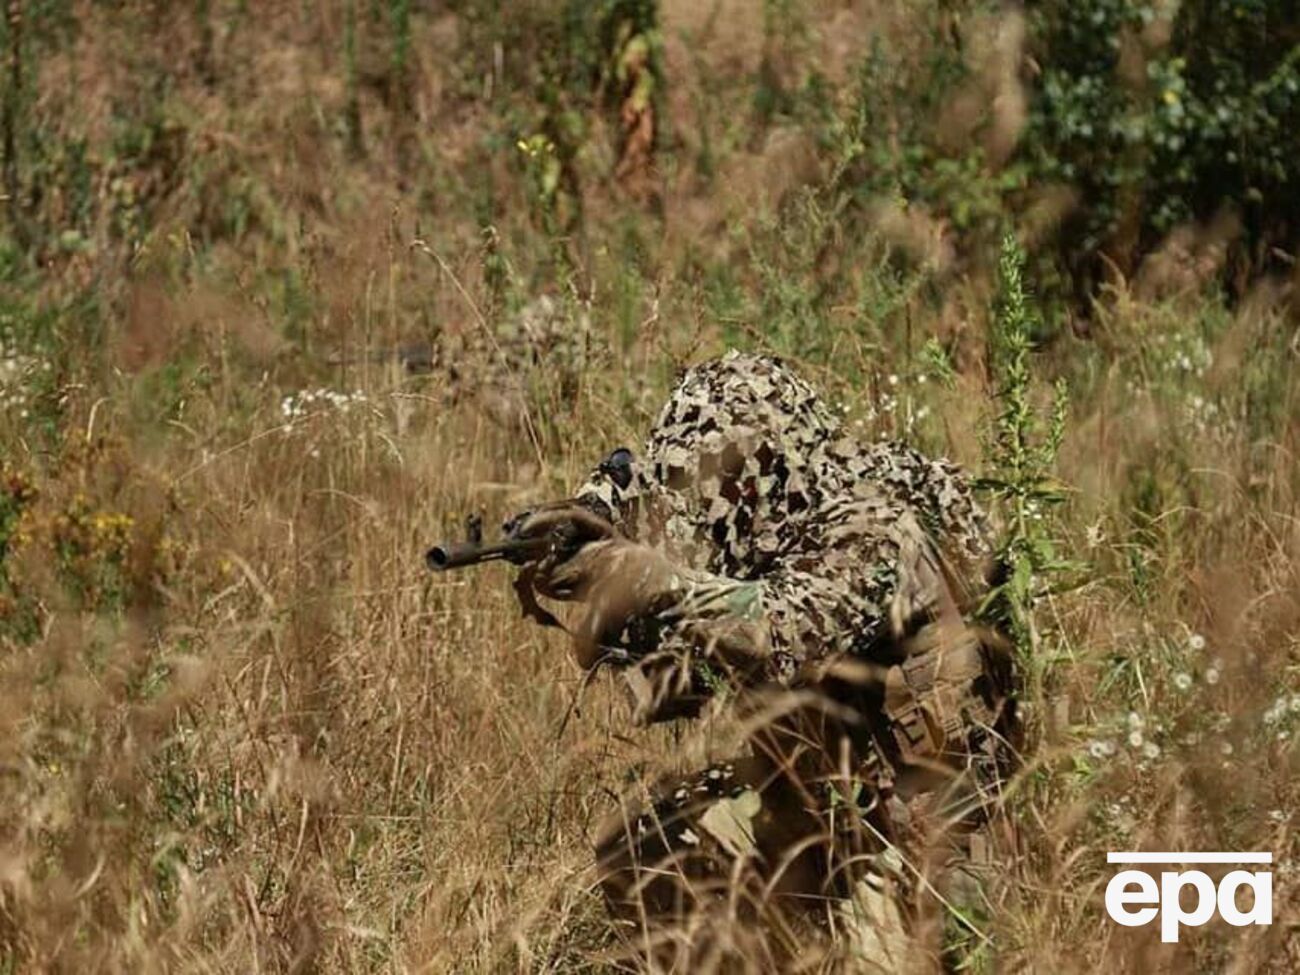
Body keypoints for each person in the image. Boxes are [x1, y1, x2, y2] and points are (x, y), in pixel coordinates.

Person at [520, 351, 1018, 965]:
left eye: (727, 478)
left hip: (927, 834)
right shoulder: (774, 533)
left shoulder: (875, 523)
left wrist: (648, 578)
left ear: (774, 461)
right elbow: (672, 693)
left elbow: (778, 630)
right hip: (821, 805)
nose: (713, 498)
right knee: (645, 852)